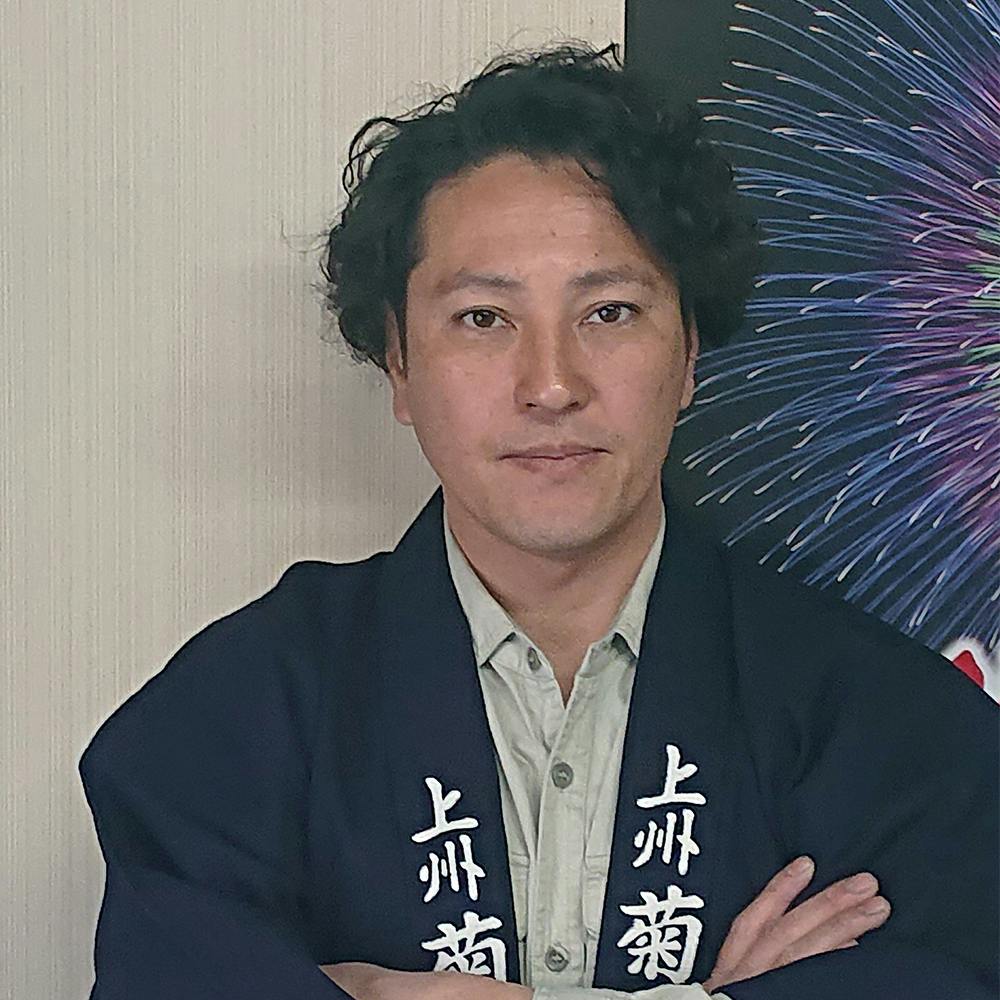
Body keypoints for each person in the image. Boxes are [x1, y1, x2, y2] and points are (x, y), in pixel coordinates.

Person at [78, 43, 997, 1000]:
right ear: (398, 364)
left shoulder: (891, 726)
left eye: (610, 312)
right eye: (483, 318)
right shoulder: (248, 707)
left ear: (689, 354)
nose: (551, 384)